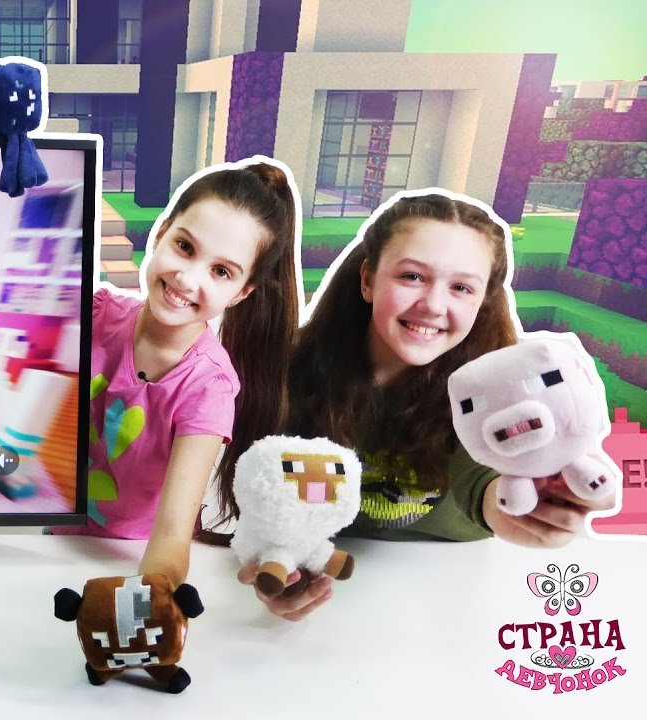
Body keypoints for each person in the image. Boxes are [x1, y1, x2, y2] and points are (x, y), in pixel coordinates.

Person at [244, 190, 615, 621]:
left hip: (452, 599)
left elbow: (485, 482)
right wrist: (274, 566)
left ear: (483, 301)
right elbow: (265, 493)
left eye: (461, 288)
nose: (434, 306)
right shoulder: (289, 371)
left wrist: (533, 507)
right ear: (368, 280)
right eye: (412, 277)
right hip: (330, 594)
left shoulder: (503, 390)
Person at [57, 159, 301, 588]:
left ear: (241, 292)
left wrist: (145, 598)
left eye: (221, 271)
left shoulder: (208, 388)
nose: (187, 279)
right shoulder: (95, 314)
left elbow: (171, 535)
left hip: (126, 554)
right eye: (185, 247)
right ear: (161, 233)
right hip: (43, 531)